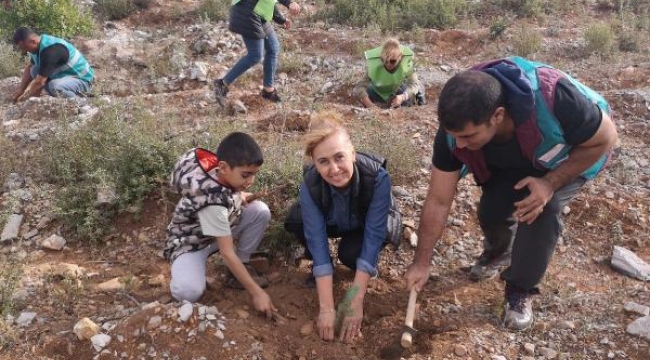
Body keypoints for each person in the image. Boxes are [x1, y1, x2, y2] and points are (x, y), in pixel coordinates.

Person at [405, 57, 618, 331]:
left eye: (468, 136)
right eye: (454, 136)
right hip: (518, 155)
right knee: (493, 210)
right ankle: (498, 253)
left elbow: (605, 138)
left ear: (497, 115)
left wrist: (550, 183)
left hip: (572, 153)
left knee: (541, 208)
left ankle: (520, 289)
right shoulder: (456, 131)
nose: (459, 144)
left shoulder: (557, 98)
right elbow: (438, 199)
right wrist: (421, 262)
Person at [284, 111, 402, 342]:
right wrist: (326, 308)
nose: (334, 169)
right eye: (323, 162)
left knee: (352, 255)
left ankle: (363, 272)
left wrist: (355, 299)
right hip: (333, 220)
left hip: (364, 225)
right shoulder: (310, 185)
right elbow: (317, 239)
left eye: (339, 157)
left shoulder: (377, 177)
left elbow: (374, 233)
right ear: (314, 164)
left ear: (353, 154)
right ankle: (321, 277)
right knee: (297, 220)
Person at [164, 133, 276, 317]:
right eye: (245, 175)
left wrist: (239, 196)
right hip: (191, 243)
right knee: (188, 292)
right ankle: (185, 270)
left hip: (216, 231)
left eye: (254, 174)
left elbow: (224, 190)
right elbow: (227, 252)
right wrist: (257, 293)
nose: (251, 181)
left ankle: (239, 270)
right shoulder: (212, 203)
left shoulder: (214, 169)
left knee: (259, 212)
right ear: (223, 167)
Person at [213, 0, 301, 105]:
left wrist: (281, 19)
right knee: (255, 55)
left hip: (258, 13)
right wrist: (288, 3)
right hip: (246, 13)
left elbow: (268, 2)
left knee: (273, 48)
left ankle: (268, 91)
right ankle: (222, 83)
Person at [11, 27, 94, 102]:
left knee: (54, 86)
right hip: (67, 77)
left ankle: (80, 102)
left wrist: (27, 100)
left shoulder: (50, 51)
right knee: (34, 69)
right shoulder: (38, 46)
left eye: (25, 47)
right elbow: (29, 68)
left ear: (33, 41)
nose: (24, 51)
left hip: (83, 80)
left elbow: (39, 82)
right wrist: (20, 90)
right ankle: (59, 94)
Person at [353, 38, 425, 109]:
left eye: (392, 61)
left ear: (400, 56)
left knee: (419, 89)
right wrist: (370, 106)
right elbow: (359, 87)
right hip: (376, 92)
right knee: (363, 93)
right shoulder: (374, 64)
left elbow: (414, 83)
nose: (388, 64)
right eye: (385, 61)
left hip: (396, 91)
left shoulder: (406, 63)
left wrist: (402, 97)